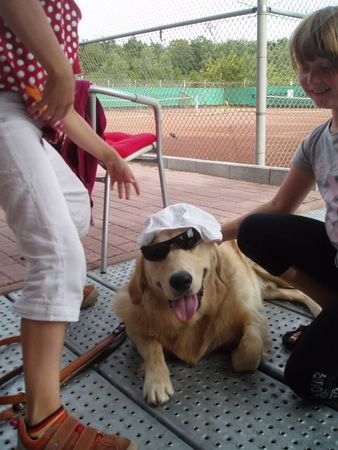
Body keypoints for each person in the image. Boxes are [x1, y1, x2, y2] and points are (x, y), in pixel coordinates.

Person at [0, 0, 139, 448]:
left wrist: (110, 155)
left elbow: (61, 107)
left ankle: (59, 292)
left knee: (76, 206)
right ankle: (43, 422)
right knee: (59, 257)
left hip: (22, 114)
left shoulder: (65, 12)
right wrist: (59, 68)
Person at [221, 6, 338, 404]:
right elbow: (279, 205)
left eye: (326, 67)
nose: (312, 80)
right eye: (305, 67)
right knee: (255, 231)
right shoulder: (317, 140)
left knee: (307, 380)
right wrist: (213, 232)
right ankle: (332, 309)